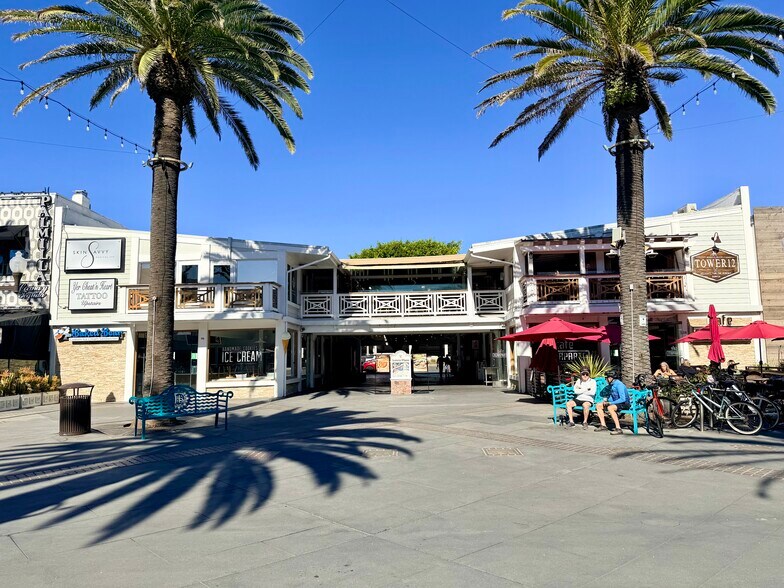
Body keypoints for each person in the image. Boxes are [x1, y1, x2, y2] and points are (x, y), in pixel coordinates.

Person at [595, 370, 630, 435]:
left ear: (610, 378)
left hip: (624, 404)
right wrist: (607, 401)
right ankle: (603, 425)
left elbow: (623, 399)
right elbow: (611, 396)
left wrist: (611, 403)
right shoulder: (611, 385)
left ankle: (618, 428)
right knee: (598, 405)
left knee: (610, 408)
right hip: (616, 403)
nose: (606, 380)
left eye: (607, 378)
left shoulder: (619, 385)